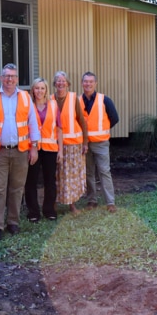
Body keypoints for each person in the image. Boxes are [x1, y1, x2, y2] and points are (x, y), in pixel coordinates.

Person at [0, 63, 40, 241]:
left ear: (17, 79)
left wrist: (34, 147)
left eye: (13, 76)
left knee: (16, 189)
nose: (10, 79)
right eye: (6, 76)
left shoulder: (26, 98)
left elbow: (33, 124)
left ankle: (13, 222)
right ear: (1, 78)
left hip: (21, 150)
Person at [79, 71, 120, 213]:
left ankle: (110, 202)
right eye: (85, 81)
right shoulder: (78, 101)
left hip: (101, 143)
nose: (88, 84)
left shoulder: (104, 100)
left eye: (91, 81)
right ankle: (92, 200)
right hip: (84, 144)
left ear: (95, 83)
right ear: (82, 83)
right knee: (89, 173)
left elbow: (114, 118)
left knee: (104, 171)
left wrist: (103, 130)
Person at [24, 78, 63, 222]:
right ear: (32, 90)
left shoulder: (53, 105)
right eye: (37, 88)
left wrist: (61, 151)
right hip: (32, 148)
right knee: (31, 181)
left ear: (46, 90)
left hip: (50, 148)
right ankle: (33, 212)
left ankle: (49, 210)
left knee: (50, 181)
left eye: (42, 88)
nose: (39, 91)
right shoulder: (27, 105)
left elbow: (59, 129)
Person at [52, 71, 89, 215]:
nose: (61, 83)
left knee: (72, 176)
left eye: (63, 81)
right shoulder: (50, 99)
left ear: (68, 83)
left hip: (73, 145)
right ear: (54, 84)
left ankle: (72, 204)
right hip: (55, 145)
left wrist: (85, 142)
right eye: (58, 81)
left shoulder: (74, 98)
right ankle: (53, 202)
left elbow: (82, 121)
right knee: (56, 175)